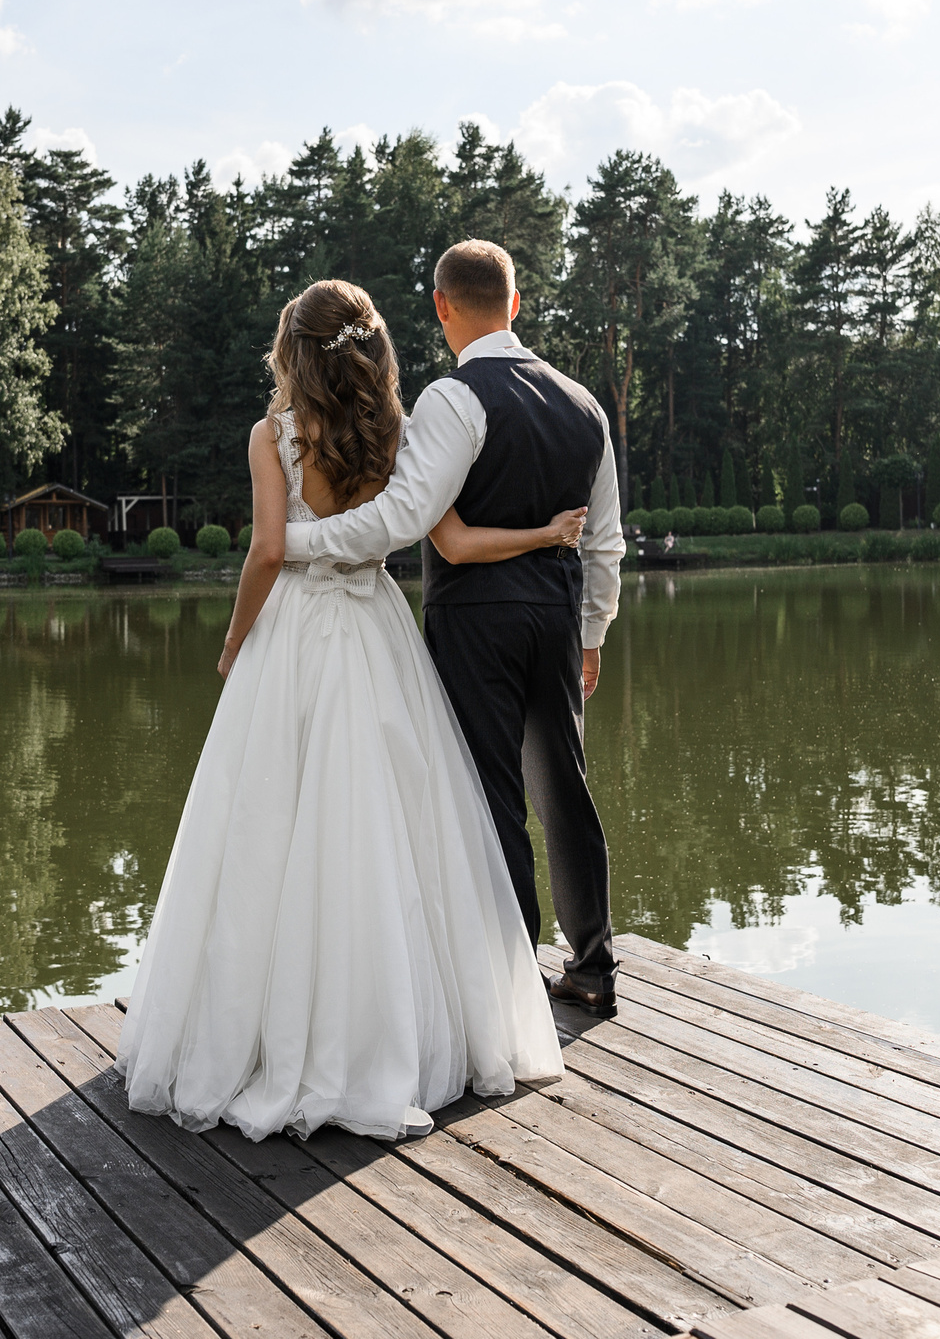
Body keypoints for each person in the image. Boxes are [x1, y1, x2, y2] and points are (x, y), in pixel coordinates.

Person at [118, 279, 573, 1142]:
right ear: (367, 348)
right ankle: (400, 1030)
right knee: (388, 823)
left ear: (293, 350)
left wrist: (230, 643)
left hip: (293, 630)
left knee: (267, 827)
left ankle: (263, 1037)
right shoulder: (392, 431)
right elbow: (426, 530)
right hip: (372, 627)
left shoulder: (273, 435)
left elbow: (265, 551)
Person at [288, 240, 626, 1016]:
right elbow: (605, 539)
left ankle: (509, 986)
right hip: (556, 617)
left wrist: (296, 545)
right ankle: (594, 965)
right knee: (565, 787)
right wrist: (593, 634)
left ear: (442, 307)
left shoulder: (452, 398)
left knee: (491, 796)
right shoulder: (586, 405)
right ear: (516, 303)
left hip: (477, 623)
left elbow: (405, 518)